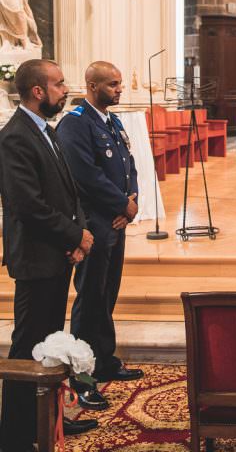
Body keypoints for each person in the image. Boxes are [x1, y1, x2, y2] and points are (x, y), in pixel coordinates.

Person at [0, 59, 98, 451]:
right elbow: (30, 206)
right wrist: (76, 235)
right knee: (28, 349)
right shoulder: (15, 137)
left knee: (51, 342)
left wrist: (77, 236)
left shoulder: (46, 130)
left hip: (56, 253)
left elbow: (68, 193)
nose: (65, 89)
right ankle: (16, 435)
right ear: (37, 91)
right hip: (36, 259)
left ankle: (50, 420)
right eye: (58, 84)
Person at [56, 61, 142, 412]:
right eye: (112, 84)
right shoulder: (75, 124)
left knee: (107, 294)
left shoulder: (112, 120)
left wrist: (131, 200)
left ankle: (103, 359)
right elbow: (84, 176)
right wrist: (121, 203)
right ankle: (82, 377)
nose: (120, 89)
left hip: (116, 221)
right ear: (92, 86)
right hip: (94, 223)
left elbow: (128, 164)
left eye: (120, 83)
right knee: (90, 298)